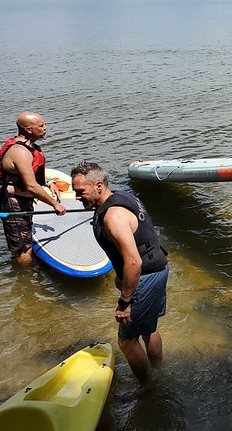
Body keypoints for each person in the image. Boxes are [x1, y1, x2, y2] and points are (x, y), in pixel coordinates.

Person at [71, 162, 169, 382]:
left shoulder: (113, 216)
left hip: (144, 277)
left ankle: (148, 388)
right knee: (148, 328)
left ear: (98, 186)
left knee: (127, 341)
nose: (77, 197)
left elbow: (133, 262)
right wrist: (120, 276)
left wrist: (125, 302)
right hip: (158, 268)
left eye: (80, 192)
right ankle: (160, 372)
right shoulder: (123, 196)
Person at [0, 111, 66, 264]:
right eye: (41, 126)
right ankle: (25, 279)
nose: (45, 128)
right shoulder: (20, 152)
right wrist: (55, 204)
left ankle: (25, 273)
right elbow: (31, 185)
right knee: (23, 248)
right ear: (28, 130)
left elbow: (30, 173)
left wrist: (48, 181)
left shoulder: (29, 146)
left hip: (22, 200)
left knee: (24, 241)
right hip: (13, 203)